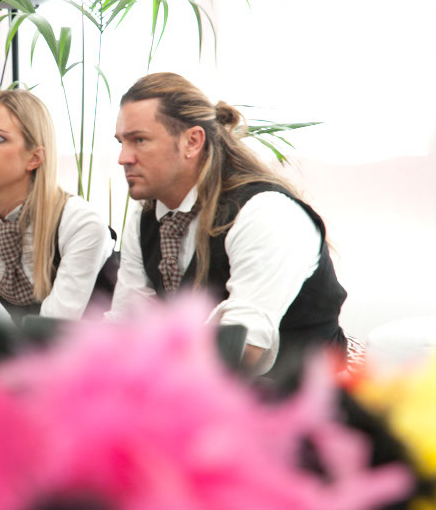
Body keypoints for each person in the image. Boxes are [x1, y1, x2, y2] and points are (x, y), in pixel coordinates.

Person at [106, 72, 361, 378]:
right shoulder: (145, 217)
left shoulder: (265, 213)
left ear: (192, 141)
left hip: (321, 391)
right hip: (208, 388)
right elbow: (127, 322)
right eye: (121, 142)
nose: (123, 158)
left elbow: (243, 348)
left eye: (140, 140)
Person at [0, 88, 112, 324]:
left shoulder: (80, 224)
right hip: (29, 343)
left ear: (34, 158)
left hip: (97, 344)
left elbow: (53, 328)